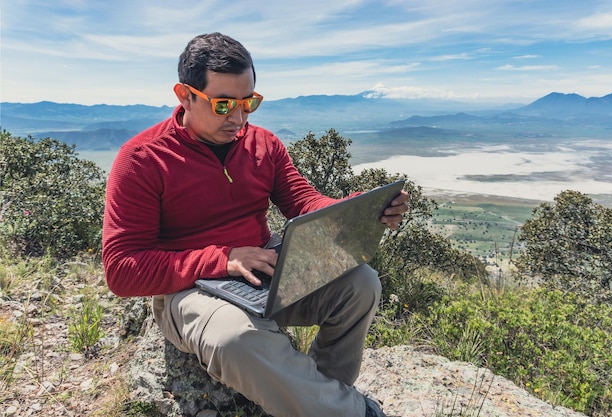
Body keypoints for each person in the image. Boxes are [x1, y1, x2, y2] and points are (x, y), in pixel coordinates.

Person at [102, 32, 408, 417]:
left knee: (361, 284)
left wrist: (361, 209)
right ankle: (351, 412)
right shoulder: (143, 159)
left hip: (264, 268)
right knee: (236, 338)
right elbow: (122, 270)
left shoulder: (263, 144)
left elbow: (305, 202)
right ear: (184, 95)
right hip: (191, 287)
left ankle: (323, 398)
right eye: (223, 104)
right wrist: (222, 260)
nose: (238, 117)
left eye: (249, 102)